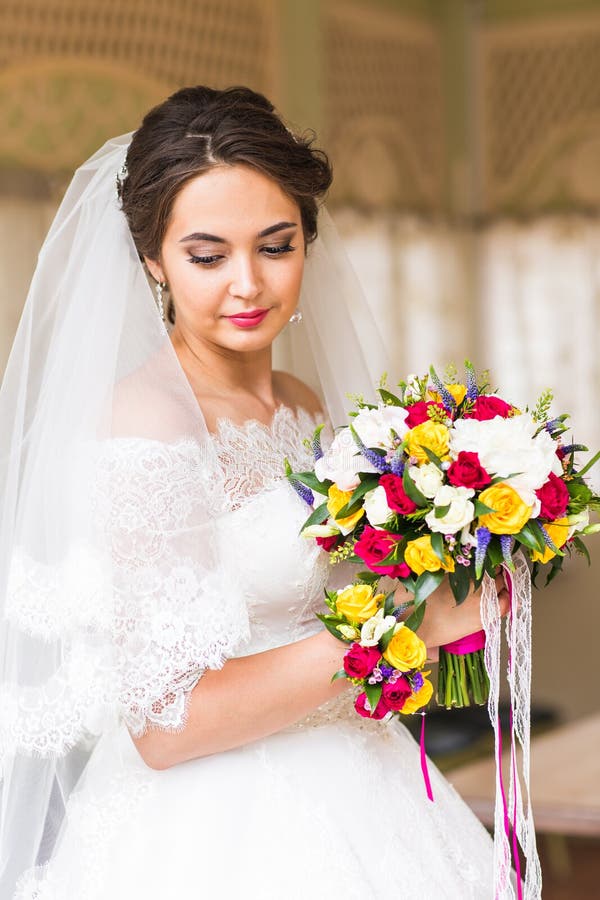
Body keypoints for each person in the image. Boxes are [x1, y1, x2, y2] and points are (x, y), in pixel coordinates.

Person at [0, 85, 508, 899]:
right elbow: (165, 726)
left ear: (309, 242)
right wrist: (402, 627)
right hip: (215, 828)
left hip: (358, 776)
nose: (249, 284)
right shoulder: (147, 421)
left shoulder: (304, 404)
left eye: (276, 246)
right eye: (208, 256)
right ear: (153, 262)